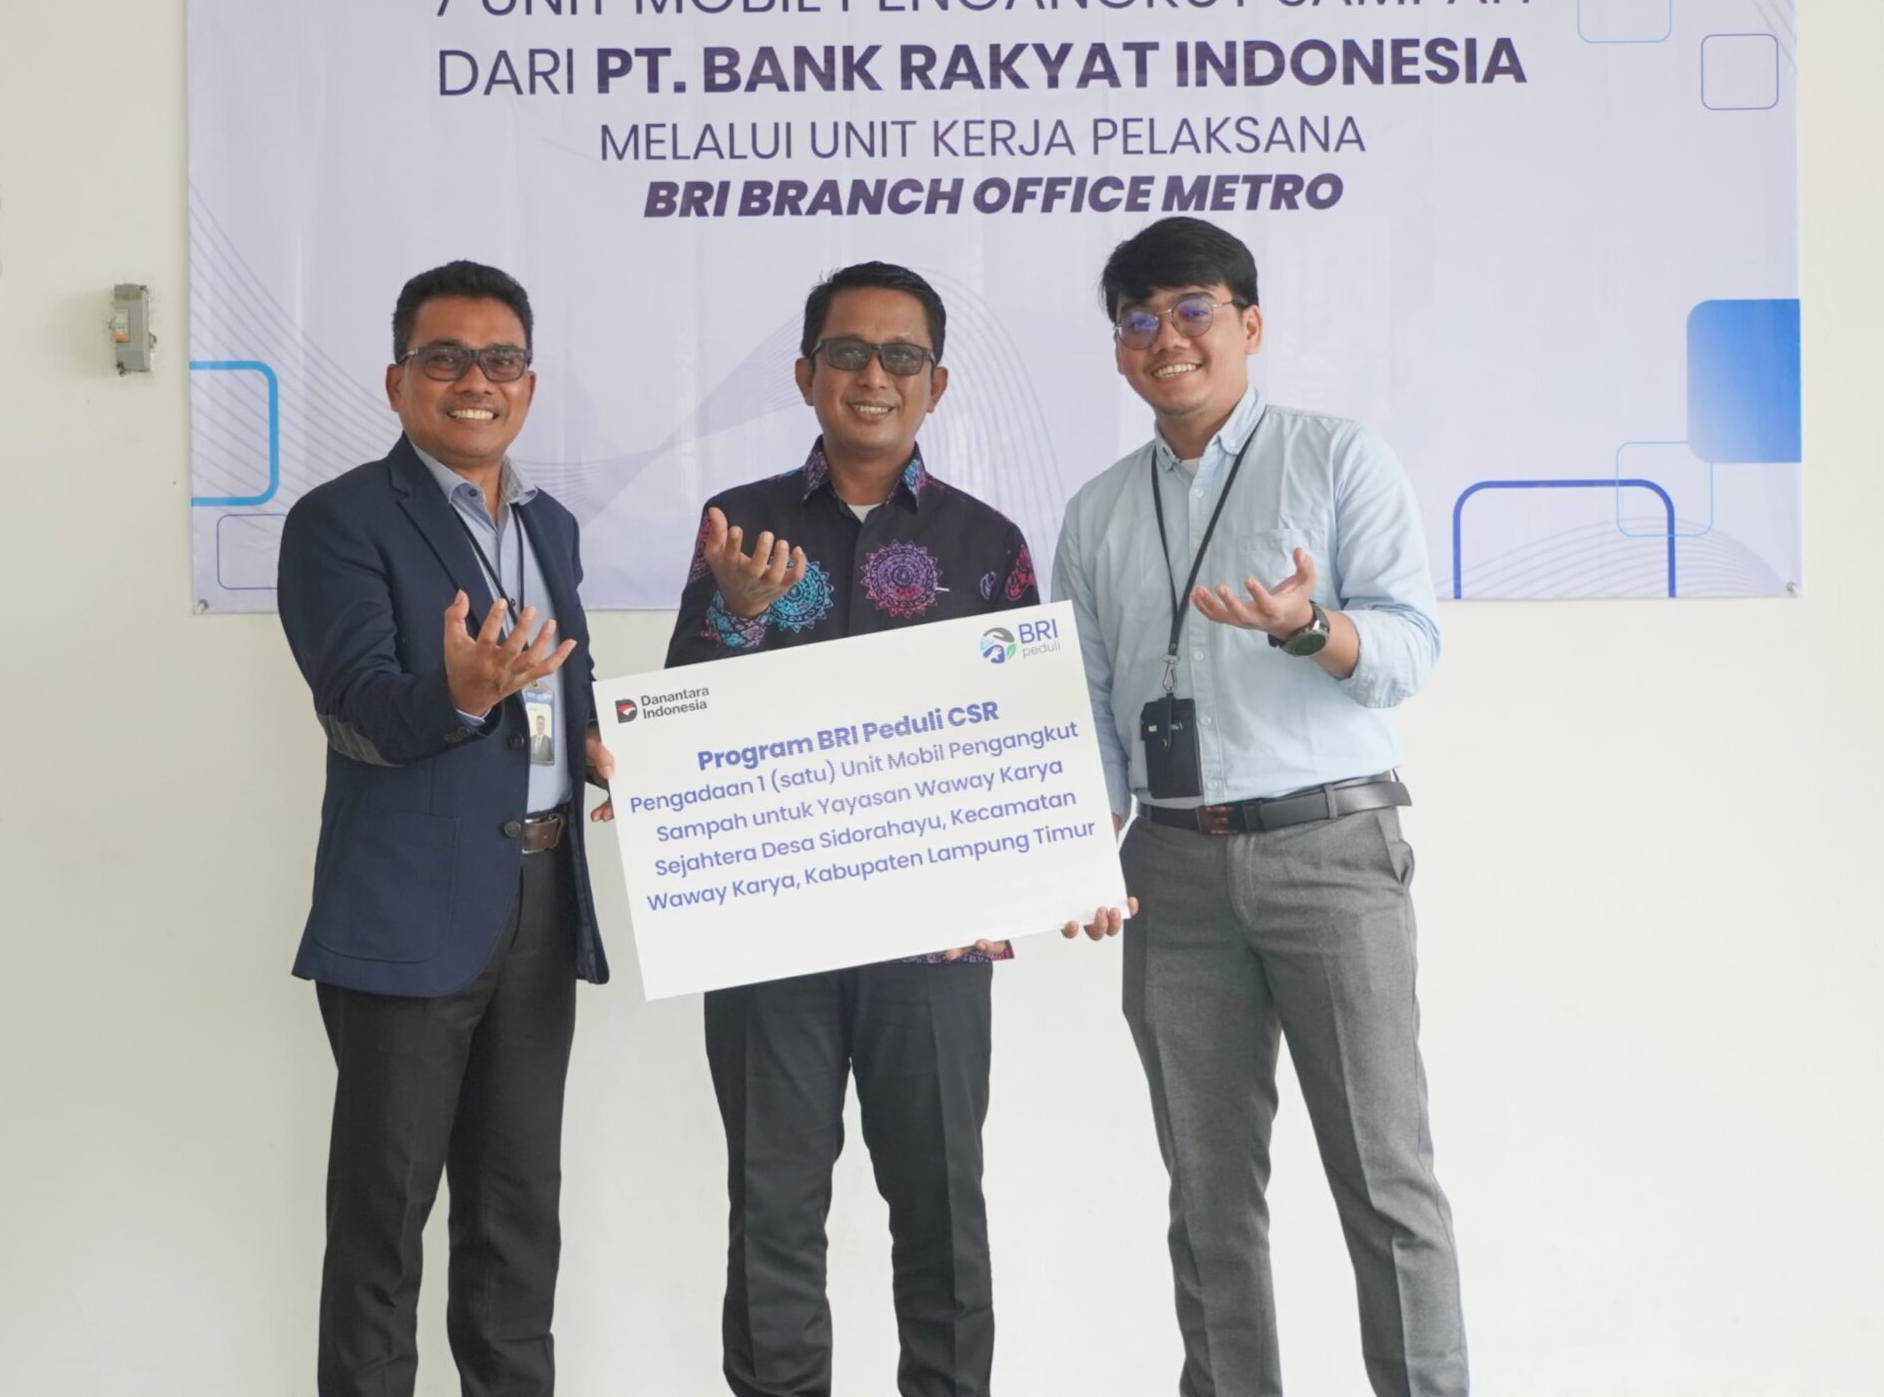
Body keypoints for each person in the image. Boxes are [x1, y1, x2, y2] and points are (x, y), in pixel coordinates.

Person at [1053, 217, 1467, 1397]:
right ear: (1119, 347)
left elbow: (1408, 648)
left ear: (1250, 324)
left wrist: (1308, 626)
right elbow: (1083, 703)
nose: (1166, 339)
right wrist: (1080, 853)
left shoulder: (1335, 459)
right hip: (1172, 871)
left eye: (1193, 311)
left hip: (1328, 853)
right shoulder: (1097, 511)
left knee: (1384, 1178)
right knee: (1207, 1195)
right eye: (1138, 320)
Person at [662, 261, 1039, 1397]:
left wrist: (1026, 877)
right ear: (805, 374)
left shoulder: (986, 543)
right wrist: (736, 615)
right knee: (773, 1212)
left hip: (935, 942)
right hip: (768, 936)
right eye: (847, 353)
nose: (874, 376)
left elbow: (1027, 735)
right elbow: (680, 722)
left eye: (901, 356)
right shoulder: (739, 528)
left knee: (941, 1212)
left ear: (936, 384)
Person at [276, 259, 616, 1397]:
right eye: (445, 359)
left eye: (501, 360)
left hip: (542, 899)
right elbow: (357, 709)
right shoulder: (340, 522)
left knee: (518, 1215)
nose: (477, 382)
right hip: (409, 912)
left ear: (529, 384)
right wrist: (461, 696)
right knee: (384, 1226)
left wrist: (599, 744)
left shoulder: (550, 525)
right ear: (397, 381)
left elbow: (563, 685)